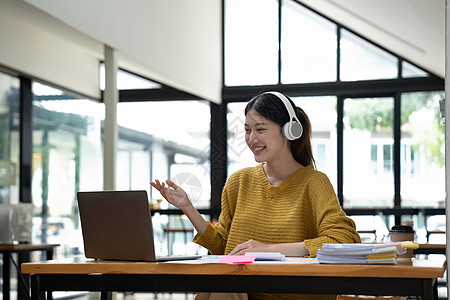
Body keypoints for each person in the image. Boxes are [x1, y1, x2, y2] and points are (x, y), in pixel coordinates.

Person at [151, 91, 361, 300]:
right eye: (247, 130)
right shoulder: (239, 181)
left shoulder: (314, 182)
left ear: (289, 131)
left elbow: (343, 241)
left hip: (286, 295)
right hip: (238, 288)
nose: (251, 139)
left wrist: (268, 250)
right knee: (215, 287)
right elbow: (223, 246)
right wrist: (187, 207)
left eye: (260, 129)